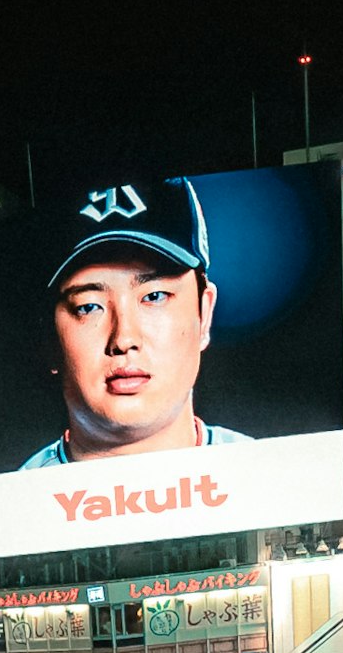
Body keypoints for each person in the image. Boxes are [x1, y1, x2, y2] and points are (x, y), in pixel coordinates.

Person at [22, 180, 254, 465]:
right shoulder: (12, 503)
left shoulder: (273, 482)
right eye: (88, 306)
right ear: (48, 338)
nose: (124, 339)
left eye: (154, 296)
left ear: (203, 314)